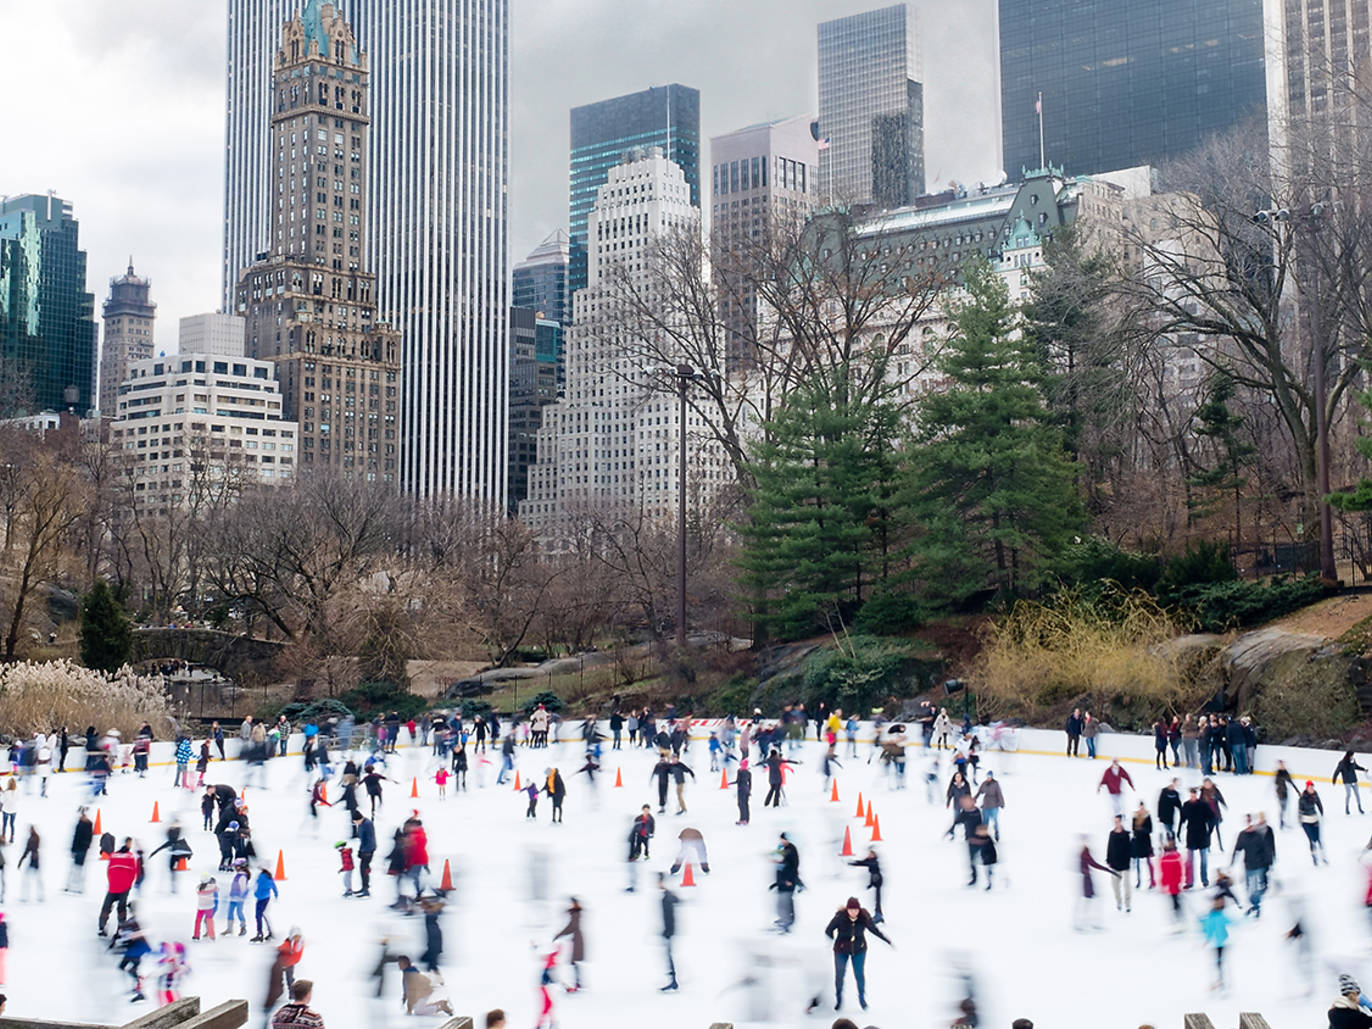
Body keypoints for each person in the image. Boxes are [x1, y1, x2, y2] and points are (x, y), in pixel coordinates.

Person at [824, 896, 892, 1012]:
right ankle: (839, 998)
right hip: (841, 950)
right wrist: (833, 939)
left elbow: (874, 930)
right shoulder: (840, 917)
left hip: (859, 949)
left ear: (859, 909)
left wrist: (886, 940)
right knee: (839, 975)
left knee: (859, 974)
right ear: (847, 909)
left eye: (856, 910)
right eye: (851, 910)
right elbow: (828, 930)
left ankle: (862, 998)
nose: (853, 912)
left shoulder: (864, 916)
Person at [1075, 836, 1118, 931]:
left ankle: (1087, 922)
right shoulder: (1083, 852)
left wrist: (1108, 870)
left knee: (1090, 900)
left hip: (1088, 879)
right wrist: (1084, 871)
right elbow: (1089, 864)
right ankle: (1082, 922)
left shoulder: (1085, 851)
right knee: (1088, 901)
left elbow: (1092, 864)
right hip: (1086, 880)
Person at [98, 839, 138, 935]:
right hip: (123, 887)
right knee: (121, 908)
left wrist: (112, 882)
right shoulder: (130, 857)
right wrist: (129, 885)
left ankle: (102, 926)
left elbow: (109, 871)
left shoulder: (114, 855)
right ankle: (121, 927)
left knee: (107, 907)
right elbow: (133, 872)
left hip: (114, 886)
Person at [1180, 787, 1215, 888]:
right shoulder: (1186, 805)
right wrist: (1179, 831)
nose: (1193, 797)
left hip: (1202, 834)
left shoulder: (1203, 805)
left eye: (1194, 795)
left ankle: (1204, 879)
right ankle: (1189, 881)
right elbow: (1183, 818)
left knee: (1203, 859)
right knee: (1189, 860)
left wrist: (1209, 830)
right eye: (1191, 795)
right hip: (1191, 834)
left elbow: (1211, 817)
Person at [1199, 895, 1233, 991]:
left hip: (1222, 942)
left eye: (1220, 902)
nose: (1218, 903)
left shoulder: (1221, 915)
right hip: (1214, 943)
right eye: (1217, 901)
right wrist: (1206, 939)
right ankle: (1218, 981)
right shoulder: (1211, 915)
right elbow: (1208, 929)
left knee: (1220, 963)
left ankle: (1220, 981)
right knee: (1217, 963)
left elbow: (1232, 922)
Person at [771, 832, 802, 933]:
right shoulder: (782, 849)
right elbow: (780, 861)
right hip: (782, 881)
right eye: (781, 839)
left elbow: (794, 866)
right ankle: (784, 919)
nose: (781, 841)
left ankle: (788, 921)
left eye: (783, 839)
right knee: (781, 902)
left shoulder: (791, 850)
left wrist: (790, 880)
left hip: (788, 881)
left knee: (786, 902)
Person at [554, 898, 585, 991]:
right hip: (575, 939)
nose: (571, 905)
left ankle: (578, 983)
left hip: (577, 940)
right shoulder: (575, 913)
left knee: (574, 962)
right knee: (574, 963)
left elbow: (571, 927)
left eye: (573, 903)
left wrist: (558, 935)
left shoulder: (576, 914)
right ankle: (578, 982)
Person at [1106, 815, 1134, 913]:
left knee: (1127, 886)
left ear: (1121, 822)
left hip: (1125, 864)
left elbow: (1130, 848)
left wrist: (1130, 859)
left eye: (1118, 821)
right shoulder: (1112, 834)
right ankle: (1119, 902)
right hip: (1114, 864)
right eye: (1115, 821)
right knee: (1115, 886)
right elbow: (1109, 847)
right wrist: (1108, 860)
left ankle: (1128, 904)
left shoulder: (1126, 834)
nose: (1116, 823)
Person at [848, 848, 884, 922]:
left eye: (871, 854)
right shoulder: (870, 860)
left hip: (878, 881)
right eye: (869, 854)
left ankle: (878, 916)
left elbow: (867, 864)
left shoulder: (874, 861)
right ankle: (879, 915)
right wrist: (852, 863)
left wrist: (873, 883)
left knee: (877, 899)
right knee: (876, 900)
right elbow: (861, 863)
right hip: (875, 880)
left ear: (874, 855)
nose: (869, 855)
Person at [658, 873, 679, 991]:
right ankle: (673, 980)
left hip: (669, 932)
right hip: (669, 931)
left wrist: (667, 931)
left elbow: (669, 917)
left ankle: (674, 980)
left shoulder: (666, 897)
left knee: (669, 956)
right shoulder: (667, 895)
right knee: (669, 955)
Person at [1299, 779, 1328, 865]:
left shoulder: (1315, 795)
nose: (1312, 789)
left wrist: (1322, 813)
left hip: (1315, 820)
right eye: (1310, 787)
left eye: (1312, 787)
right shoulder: (1303, 797)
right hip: (1306, 821)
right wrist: (1300, 820)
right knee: (1311, 840)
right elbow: (1300, 810)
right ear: (1307, 788)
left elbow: (1319, 804)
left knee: (1318, 839)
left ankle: (1323, 857)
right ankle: (1314, 857)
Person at [65, 807, 93, 894]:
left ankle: (79, 887)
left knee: (79, 869)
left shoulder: (88, 824)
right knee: (74, 869)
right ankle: (69, 886)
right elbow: (75, 837)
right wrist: (73, 849)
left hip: (82, 849)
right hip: (78, 849)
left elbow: (89, 838)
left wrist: (86, 847)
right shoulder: (80, 823)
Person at [1131, 803, 1155, 890]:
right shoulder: (1135, 817)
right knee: (1138, 864)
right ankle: (1139, 881)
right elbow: (1133, 829)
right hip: (1138, 842)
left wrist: (1141, 830)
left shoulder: (1147, 816)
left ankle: (1152, 881)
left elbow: (1150, 829)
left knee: (1148, 862)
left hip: (1145, 842)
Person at [975, 770, 1004, 840]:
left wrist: (1001, 803)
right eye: (987, 777)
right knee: (985, 821)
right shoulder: (984, 783)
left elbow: (999, 794)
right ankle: (984, 835)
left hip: (994, 805)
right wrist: (974, 798)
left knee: (994, 820)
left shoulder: (995, 784)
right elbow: (979, 791)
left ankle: (996, 833)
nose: (988, 778)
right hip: (986, 805)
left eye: (989, 777)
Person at [351, 812, 375, 897]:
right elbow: (363, 839)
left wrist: (366, 851)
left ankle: (366, 889)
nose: (355, 823)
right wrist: (360, 850)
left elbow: (370, 839)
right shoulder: (362, 824)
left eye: (355, 821)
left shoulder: (367, 824)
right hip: (365, 850)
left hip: (368, 851)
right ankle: (364, 887)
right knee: (363, 869)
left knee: (364, 869)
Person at [252, 866, 279, 941]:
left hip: (261, 898)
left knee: (258, 916)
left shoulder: (261, 877)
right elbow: (274, 887)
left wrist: (256, 894)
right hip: (266, 898)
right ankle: (269, 932)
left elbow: (257, 887)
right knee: (261, 915)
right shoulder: (269, 877)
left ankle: (260, 933)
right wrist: (276, 894)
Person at [224, 859, 250, 935]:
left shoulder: (242, 876)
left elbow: (243, 888)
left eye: (236, 866)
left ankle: (243, 928)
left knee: (239, 912)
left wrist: (241, 896)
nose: (235, 868)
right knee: (230, 912)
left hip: (239, 898)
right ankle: (229, 928)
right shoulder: (238, 875)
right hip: (233, 897)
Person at [192, 875, 218, 940]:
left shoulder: (199, 887)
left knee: (198, 921)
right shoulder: (213, 887)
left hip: (201, 907)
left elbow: (197, 892)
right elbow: (217, 889)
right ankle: (212, 935)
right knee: (209, 921)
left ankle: (196, 935)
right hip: (209, 907)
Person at [1275, 760, 1298, 829]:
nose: (1282, 766)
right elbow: (1276, 782)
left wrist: (1297, 791)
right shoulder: (1278, 773)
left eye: (1283, 765)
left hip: (1285, 792)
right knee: (1282, 808)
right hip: (1280, 793)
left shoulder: (1286, 772)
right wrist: (1282, 779)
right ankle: (1281, 822)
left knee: (1285, 807)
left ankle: (1284, 821)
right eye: (1281, 765)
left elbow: (1291, 781)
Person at [732, 758, 753, 825]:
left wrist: (729, 783)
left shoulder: (740, 771)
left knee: (741, 804)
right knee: (746, 804)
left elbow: (738, 781)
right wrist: (749, 791)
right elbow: (750, 783)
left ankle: (742, 819)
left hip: (741, 789)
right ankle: (746, 819)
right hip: (746, 789)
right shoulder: (749, 773)